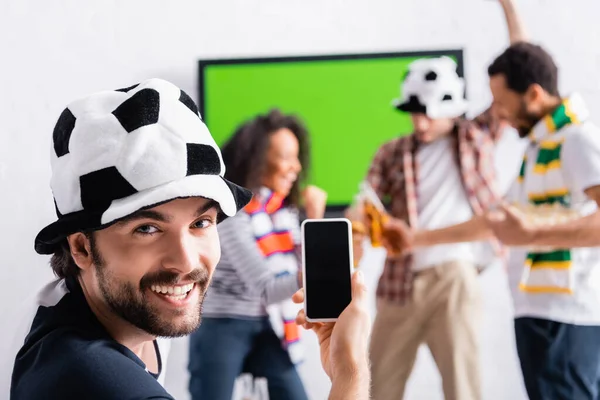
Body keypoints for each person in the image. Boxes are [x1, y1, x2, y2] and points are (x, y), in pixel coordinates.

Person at [10, 79, 371, 400]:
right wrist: (350, 373)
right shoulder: (98, 380)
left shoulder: (89, 307)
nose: (185, 262)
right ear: (81, 247)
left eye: (201, 222)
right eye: (147, 229)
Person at [384, 41, 600, 400]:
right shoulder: (538, 147)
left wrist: (532, 234)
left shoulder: (578, 139)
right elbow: (494, 221)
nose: (497, 113)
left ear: (533, 94)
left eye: (501, 102)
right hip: (535, 310)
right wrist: (416, 239)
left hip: (568, 317)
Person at [364, 1, 526, 399]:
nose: (420, 123)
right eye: (414, 113)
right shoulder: (392, 152)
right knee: (376, 385)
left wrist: (507, 7)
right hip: (399, 283)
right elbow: (364, 199)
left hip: (455, 277)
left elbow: (521, 66)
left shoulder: (476, 137)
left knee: (462, 387)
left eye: (428, 114)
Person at [187, 109, 327, 400]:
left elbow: (305, 267)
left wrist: (316, 225)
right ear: (257, 159)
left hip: (269, 326)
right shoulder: (230, 215)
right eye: (287, 157)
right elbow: (267, 288)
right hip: (223, 325)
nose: (297, 167)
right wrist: (318, 270)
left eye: (297, 157)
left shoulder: (281, 213)